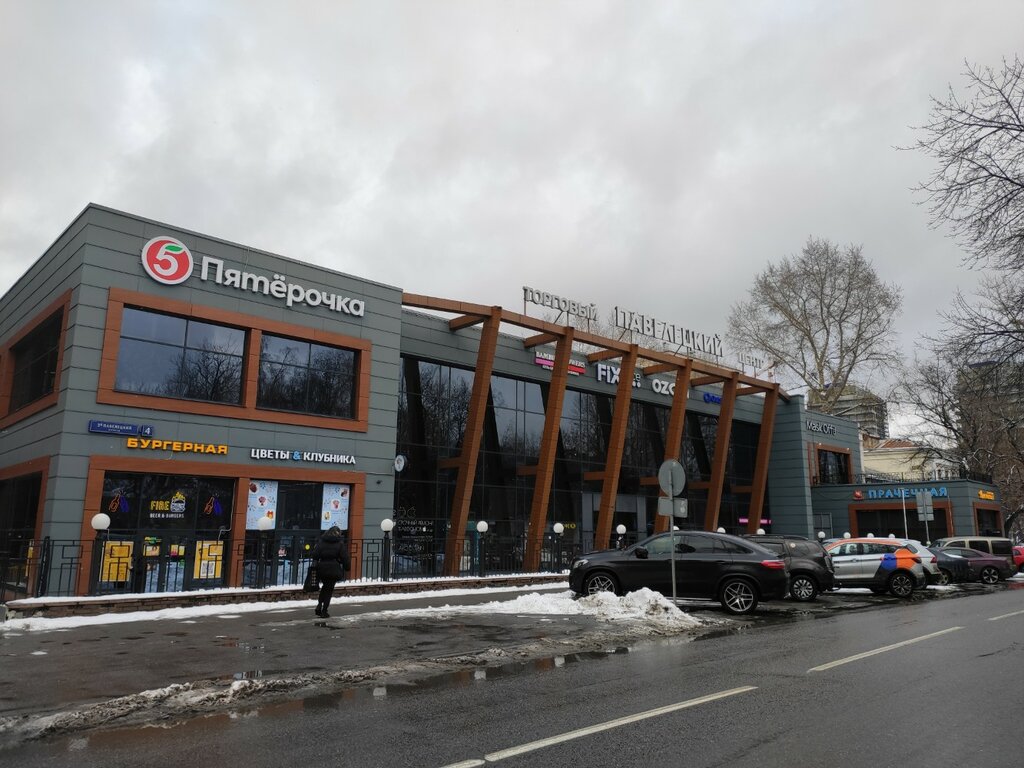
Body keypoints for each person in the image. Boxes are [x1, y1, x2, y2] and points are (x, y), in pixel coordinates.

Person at [312, 525, 350, 618]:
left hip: (322, 568)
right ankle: (324, 610)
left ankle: (319, 605)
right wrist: (347, 567)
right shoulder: (339, 544)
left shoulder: (321, 542)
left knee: (325, 587)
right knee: (329, 589)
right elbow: (345, 557)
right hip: (333, 568)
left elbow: (315, 555)